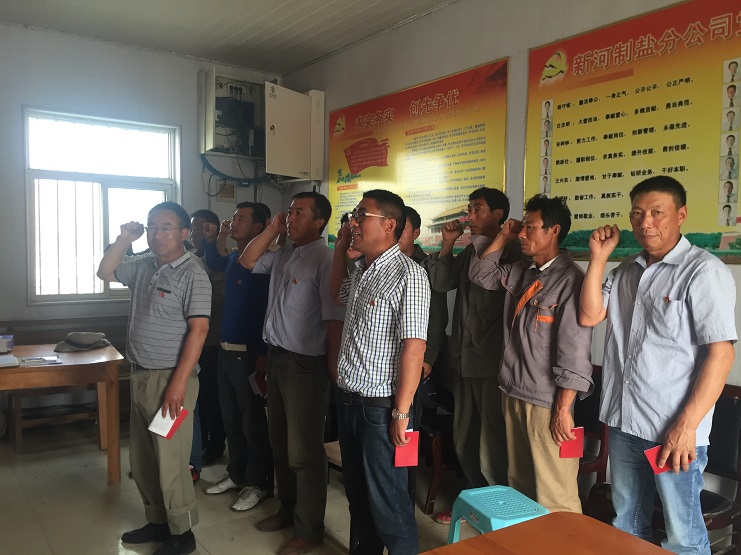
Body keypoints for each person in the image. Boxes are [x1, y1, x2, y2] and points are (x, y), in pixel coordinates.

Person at [579, 175, 737, 554]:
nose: (645, 222)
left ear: (681, 215)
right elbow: (589, 315)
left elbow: (721, 354)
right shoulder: (625, 271)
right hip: (625, 421)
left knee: (682, 537)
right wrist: (598, 257)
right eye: (637, 214)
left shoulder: (703, 271)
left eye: (656, 212)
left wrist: (686, 426)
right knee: (627, 521)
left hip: (673, 430)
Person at [98, 201, 211, 555]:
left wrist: (177, 384)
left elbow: (199, 330)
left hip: (171, 382)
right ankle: (158, 520)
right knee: (145, 460)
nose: (156, 234)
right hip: (141, 376)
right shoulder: (144, 264)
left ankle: (182, 533)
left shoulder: (193, 272)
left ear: (184, 233)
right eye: (151, 227)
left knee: (171, 460)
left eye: (165, 227)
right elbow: (105, 271)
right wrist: (123, 239)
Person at [469, 194, 593, 513]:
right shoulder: (523, 271)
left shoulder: (570, 280)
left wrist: (563, 409)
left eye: (530, 227)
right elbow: (481, 274)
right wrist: (503, 235)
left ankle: (565, 541)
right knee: (520, 484)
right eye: (522, 227)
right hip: (513, 391)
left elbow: (575, 350)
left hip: (547, 402)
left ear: (554, 230)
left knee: (556, 492)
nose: (522, 233)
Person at [238, 191, 345, 555]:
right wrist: (272, 229)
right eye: (290, 211)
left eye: (299, 212)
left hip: (305, 366)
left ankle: (309, 528)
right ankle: (287, 509)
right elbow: (247, 260)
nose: (291, 217)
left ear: (319, 221)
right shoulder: (284, 253)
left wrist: (331, 365)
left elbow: (334, 318)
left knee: (304, 451)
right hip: (277, 358)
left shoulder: (325, 260)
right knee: (280, 443)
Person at [330, 190, 431, 555]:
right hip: (348, 401)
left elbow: (414, 348)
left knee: (389, 504)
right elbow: (335, 295)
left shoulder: (409, 274)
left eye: (362, 215)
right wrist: (341, 248)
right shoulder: (362, 271)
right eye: (353, 215)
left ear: (389, 225)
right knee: (358, 498)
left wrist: (402, 413)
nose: (353, 222)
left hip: (381, 409)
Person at [425, 188, 521, 520]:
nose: (469, 216)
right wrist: (448, 243)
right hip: (463, 359)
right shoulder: (469, 251)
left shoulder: (514, 252)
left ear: (499, 214)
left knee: (492, 438)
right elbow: (440, 283)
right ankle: (473, 496)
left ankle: (495, 505)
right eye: (469, 209)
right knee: (464, 434)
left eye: (477, 209)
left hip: (492, 362)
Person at [201, 202, 272, 512]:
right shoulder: (233, 258)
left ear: (259, 227)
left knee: (251, 422)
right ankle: (237, 473)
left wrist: (264, 354)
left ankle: (258, 482)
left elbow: (269, 312)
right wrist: (217, 237)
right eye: (234, 217)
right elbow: (214, 259)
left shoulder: (264, 265)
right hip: (225, 350)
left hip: (249, 355)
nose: (234, 222)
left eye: (242, 218)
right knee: (231, 418)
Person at [189, 209, 227, 472]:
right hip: (193, 341)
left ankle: (214, 445)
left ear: (211, 229)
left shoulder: (220, 261)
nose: (193, 234)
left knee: (211, 398)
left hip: (213, 341)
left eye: (198, 229)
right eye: (191, 229)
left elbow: (218, 300)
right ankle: (197, 444)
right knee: (197, 399)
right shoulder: (193, 258)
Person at [397, 206, 448, 379]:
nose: (396, 234)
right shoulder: (382, 264)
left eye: (402, 229)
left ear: (416, 233)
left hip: (418, 354)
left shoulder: (426, 267)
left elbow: (437, 316)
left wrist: (428, 358)